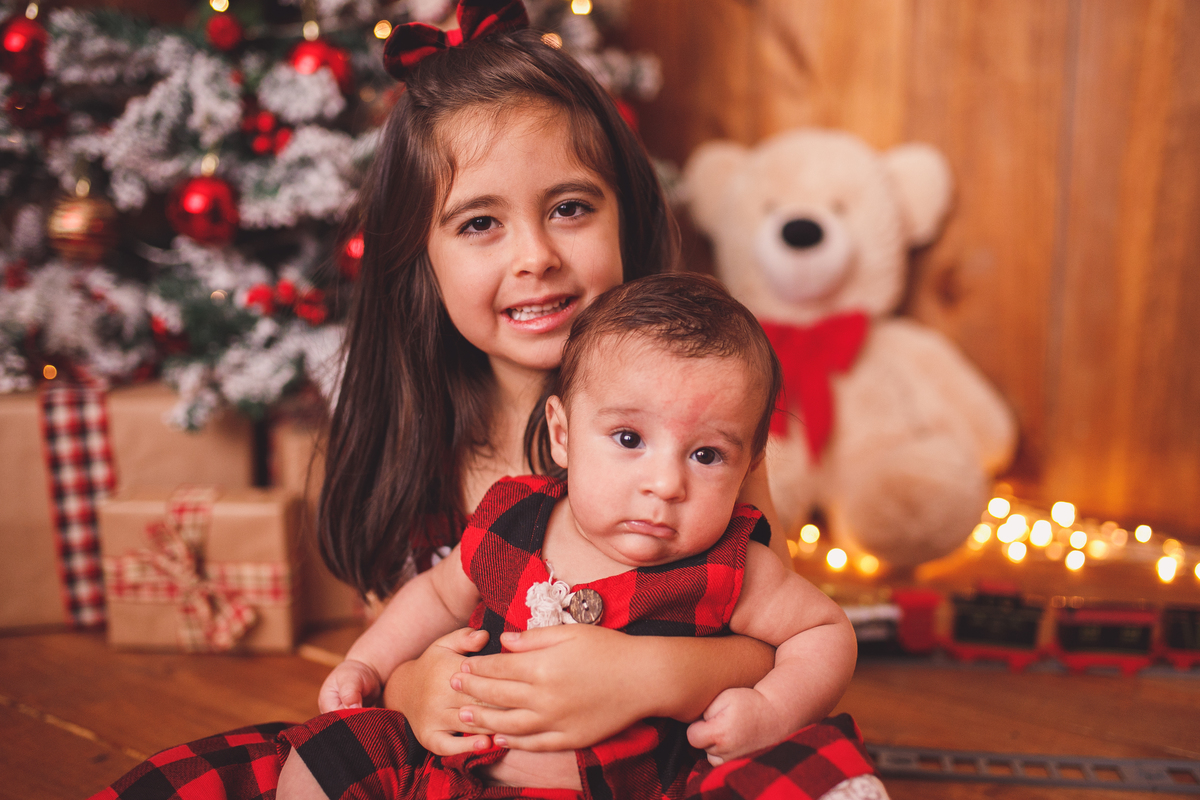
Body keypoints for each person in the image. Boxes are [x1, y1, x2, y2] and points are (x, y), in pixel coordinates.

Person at [92, 2, 881, 798]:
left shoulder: (696, 427)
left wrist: (647, 675)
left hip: (650, 769)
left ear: (625, 214)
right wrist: (412, 690)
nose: (535, 256)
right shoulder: (419, 441)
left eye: (570, 208)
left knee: (806, 769)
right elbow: (397, 642)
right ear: (420, 258)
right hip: (462, 761)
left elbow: (775, 644)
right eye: (479, 223)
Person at [277, 274, 874, 800]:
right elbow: (436, 594)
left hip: (635, 786)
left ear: (748, 465)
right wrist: (367, 663)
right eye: (629, 439)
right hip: (455, 773)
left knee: (822, 776)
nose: (666, 484)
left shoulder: (731, 563)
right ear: (562, 435)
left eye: (707, 455)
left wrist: (772, 710)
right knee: (321, 756)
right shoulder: (513, 517)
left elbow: (824, 631)